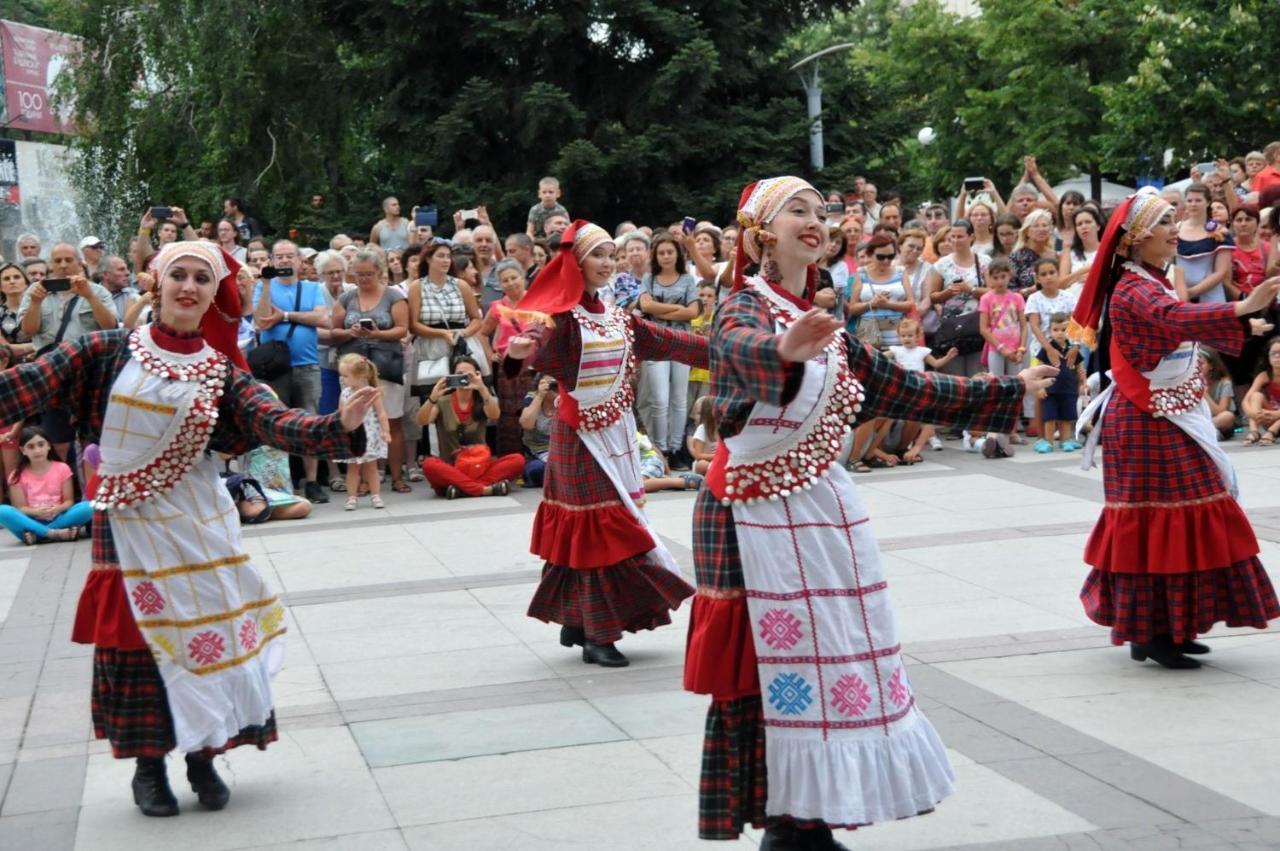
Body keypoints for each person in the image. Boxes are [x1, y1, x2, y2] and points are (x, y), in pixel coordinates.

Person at [684, 176, 1052, 848]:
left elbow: (902, 385)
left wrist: (1006, 388)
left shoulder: (824, 322)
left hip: (816, 512)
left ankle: (809, 818)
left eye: (820, 211)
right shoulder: (742, 305)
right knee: (771, 666)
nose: (814, 220)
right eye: (797, 210)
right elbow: (732, 348)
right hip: (750, 518)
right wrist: (781, 352)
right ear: (761, 231)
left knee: (837, 655)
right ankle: (789, 824)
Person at [0, 240, 376, 816]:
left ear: (212, 294)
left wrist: (336, 423)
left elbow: (273, 420)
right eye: (180, 274)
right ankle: (149, 768)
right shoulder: (103, 351)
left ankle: (203, 757)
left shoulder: (221, 372)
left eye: (203, 278)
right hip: (125, 525)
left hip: (197, 522)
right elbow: (24, 385)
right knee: (136, 644)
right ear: (156, 281)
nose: (190, 286)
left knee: (210, 637)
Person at [1071, 186, 1280, 669]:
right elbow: (1175, 317)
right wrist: (1241, 308)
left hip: (1162, 414)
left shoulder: (1152, 277)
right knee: (1161, 521)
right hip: (1147, 420)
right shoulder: (1135, 288)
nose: (1175, 230)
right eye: (1164, 223)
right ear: (1136, 238)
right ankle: (1152, 631)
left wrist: (1242, 326)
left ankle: (1167, 628)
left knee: (1188, 511)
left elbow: (1179, 326)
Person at [504, 220, 708, 668]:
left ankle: (578, 622)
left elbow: (668, 340)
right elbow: (536, 337)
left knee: (599, 531)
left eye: (610, 255)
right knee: (599, 533)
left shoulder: (616, 314)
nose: (607, 263)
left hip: (615, 434)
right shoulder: (563, 318)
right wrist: (520, 350)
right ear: (575, 263)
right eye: (597, 255)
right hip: (579, 440)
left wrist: (726, 351)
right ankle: (598, 634)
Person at [18, 243, 119, 460]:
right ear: (50, 264)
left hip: (89, 373)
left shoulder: (97, 291)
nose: (63, 265)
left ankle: (91, 490)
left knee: (92, 441)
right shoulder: (35, 292)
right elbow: (28, 331)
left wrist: (89, 296)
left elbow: (111, 326)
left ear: (78, 262)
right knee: (57, 441)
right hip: (52, 375)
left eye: (68, 260)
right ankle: (64, 488)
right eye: (57, 261)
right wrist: (36, 302)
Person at [252, 240, 332, 503]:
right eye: (279, 257)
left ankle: (311, 481)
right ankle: (280, 481)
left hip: (307, 364)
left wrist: (285, 316)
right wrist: (265, 284)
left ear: (299, 261)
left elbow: (322, 318)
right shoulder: (263, 287)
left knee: (310, 423)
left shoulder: (311, 288)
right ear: (272, 261)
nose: (285, 261)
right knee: (276, 425)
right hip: (274, 368)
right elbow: (261, 320)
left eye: (290, 256)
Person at [330, 248, 410, 494]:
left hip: (387, 365)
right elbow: (334, 332)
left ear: (379, 272)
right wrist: (349, 332)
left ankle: (397, 476)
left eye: (369, 274)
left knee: (393, 421)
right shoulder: (346, 298)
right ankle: (363, 480)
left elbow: (402, 329)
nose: (364, 279)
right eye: (359, 274)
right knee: (357, 423)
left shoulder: (393, 296)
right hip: (355, 371)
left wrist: (378, 334)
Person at [416, 356, 522, 498]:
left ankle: (461, 488)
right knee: (429, 464)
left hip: (479, 466)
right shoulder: (442, 401)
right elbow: (421, 421)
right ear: (452, 375)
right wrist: (433, 397)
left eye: (468, 375)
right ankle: (485, 489)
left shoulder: (482, 399)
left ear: (477, 376)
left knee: (517, 460)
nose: (463, 379)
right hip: (451, 468)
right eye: (459, 374)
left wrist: (482, 388)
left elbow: (495, 415)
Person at [638, 233, 701, 466]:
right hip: (656, 344)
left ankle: (675, 449)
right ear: (655, 255)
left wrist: (659, 309)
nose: (665, 256)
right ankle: (660, 448)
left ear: (677, 254)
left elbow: (694, 312)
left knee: (678, 400)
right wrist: (677, 308)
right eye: (661, 252)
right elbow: (645, 306)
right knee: (659, 399)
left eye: (670, 252)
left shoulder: (687, 279)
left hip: (682, 342)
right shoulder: (649, 278)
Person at [478, 259, 535, 456]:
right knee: (509, 414)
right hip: (508, 366)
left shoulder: (537, 302)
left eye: (514, 277)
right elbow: (482, 333)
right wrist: (490, 354)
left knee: (533, 408)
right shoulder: (497, 307)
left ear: (523, 278)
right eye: (505, 280)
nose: (511, 283)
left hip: (533, 366)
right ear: (500, 284)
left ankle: (535, 456)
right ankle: (512, 459)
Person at [0, 425, 92, 544]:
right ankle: (53, 533)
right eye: (31, 447)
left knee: (88, 507)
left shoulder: (62, 468)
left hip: (59, 517)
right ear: (23, 451)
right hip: (30, 522)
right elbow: (20, 508)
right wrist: (37, 512)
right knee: (3, 510)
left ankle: (39, 535)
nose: (37, 450)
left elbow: (69, 501)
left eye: (41, 444)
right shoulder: (16, 475)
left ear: (49, 446)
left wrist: (57, 509)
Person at [885, 317, 959, 464]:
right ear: (899, 336)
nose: (906, 338)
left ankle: (932, 438)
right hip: (903, 387)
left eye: (910, 335)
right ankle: (907, 443)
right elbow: (879, 356)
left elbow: (936, 363)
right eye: (903, 335)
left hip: (920, 387)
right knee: (907, 417)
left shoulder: (922, 351)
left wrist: (948, 357)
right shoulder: (896, 350)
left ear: (918, 336)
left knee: (924, 415)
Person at [924, 220, 990, 377]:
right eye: (951, 237)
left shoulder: (984, 261)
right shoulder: (941, 264)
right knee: (954, 376)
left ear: (971, 237)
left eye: (959, 236)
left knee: (978, 375)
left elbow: (993, 291)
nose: (954, 241)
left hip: (977, 327)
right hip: (951, 329)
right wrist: (948, 293)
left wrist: (971, 290)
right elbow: (933, 297)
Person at [337, 354, 391, 509]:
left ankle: (376, 495)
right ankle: (351, 497)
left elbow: (381, 413)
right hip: (352, 434)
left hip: (370, 434)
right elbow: (341, 413)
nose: (343, 379)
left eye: (346, 376)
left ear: (360, 375)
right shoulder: (345, 393)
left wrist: (385, 430)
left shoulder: (372, 392)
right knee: (352, 468)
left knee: (371, 466)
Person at [847, 232, 914, 349]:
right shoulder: (861, 273)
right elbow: (853, 308)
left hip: (899, 334)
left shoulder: (900, 272)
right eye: (881, 257)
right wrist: (872, 304)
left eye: (891, 256)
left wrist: (887, 304)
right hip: (869, 332)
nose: (886, 261)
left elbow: (910, 304)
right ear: (870, 254)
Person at [1033, 313, 1085, 453]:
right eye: (1055, 330)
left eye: (1063, 330)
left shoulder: (1072, 349)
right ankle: (1048, 442)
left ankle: (1066, 440)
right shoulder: (1047, 349)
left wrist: (1083, 384)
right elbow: (1039, 368)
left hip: (1069, 390)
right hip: (1050, 390)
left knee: (1067, 418)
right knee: (1050, 417)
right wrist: (1040, 386)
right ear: (1050, 331)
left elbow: (1080, 368)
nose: (1060, 333)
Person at [1176, 183, 1235, 303]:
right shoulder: (1175, 229)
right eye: (1189, 200)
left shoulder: (1220, 232)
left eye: (1198, 200)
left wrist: (1192, 292)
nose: (1193, 204)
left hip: (1211, 296)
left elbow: (1220, 272)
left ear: (1208, 202)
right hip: (1179, 294)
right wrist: (1180, 291)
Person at [519, 374, 555, 487]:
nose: (554, 387)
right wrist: (540, 396)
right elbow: (526, 424)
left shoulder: (567, 396)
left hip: (563, 450)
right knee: (535, 469)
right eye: (550, 383)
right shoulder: (532, 397)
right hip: (538, 451)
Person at [1243, 337, 1280, 445]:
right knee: (1256, 396)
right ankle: (1254, 431)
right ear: (1268, 357)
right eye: (1274, 353)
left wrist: (1276, 414)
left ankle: (1271, 432)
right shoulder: (1264, 376)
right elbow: (1246, 400)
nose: (1277, 356)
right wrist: (1254, 414)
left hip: (1276, 418)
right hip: (1268, 417)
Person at [1200, 349, 1236, 441]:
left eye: (1201, 364)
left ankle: (1202, 431)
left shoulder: (1224, 383)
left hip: (1219, 423)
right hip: (1200, 419)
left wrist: (1204, 393)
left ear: (1211, 366)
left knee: (1228, 416)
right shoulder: (1190, 383)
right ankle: (1204, 432)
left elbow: (1221, 411)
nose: (1197, 367)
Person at [0, 263, 34, 361]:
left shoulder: (39, 306)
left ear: (26, 283)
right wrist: (36, 346)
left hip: (42, 363)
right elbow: (3, 348)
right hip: (10, 368)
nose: (12, 281)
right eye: (6, 279)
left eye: (17, 277)